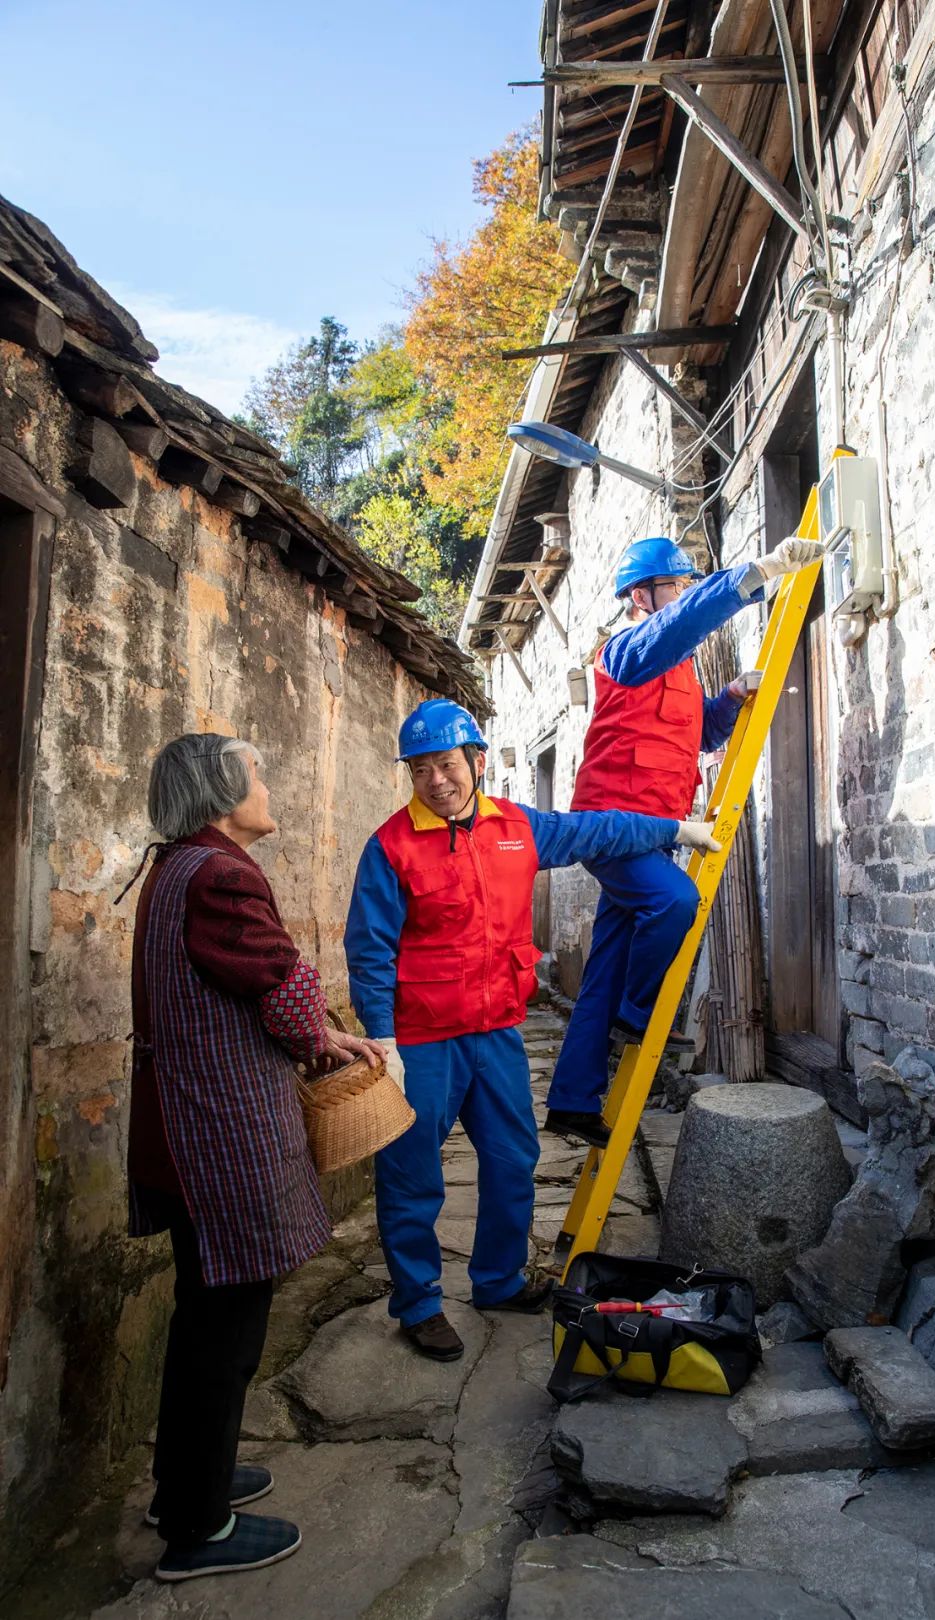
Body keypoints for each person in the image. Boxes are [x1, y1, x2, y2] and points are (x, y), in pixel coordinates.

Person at [344, 699, 720, 1361]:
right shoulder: (391, 847)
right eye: (422, 769)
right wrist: (384, 1042)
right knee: (411, 1176)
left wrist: (674, 831)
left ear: (477, 762)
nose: (437, 780)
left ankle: (496, 1280)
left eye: (448, 764)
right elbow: (370, 949)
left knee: (515, 1162)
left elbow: (598, 832)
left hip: (495, 1033)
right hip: (422, 1038)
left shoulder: (517, 827)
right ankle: (419, 1304)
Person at [125, 733, 383, 1583]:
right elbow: (280, 980)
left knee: (207, 1314)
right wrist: (322, 1037)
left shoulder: (175, 869)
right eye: (256, 773)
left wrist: (314, 1031)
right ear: (222, 792)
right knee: (224, 1325)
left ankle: (183, 1484)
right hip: (219, 1138)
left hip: (186, 1132)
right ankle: (196, 1529)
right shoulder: (224, 874)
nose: (267, 784)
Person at [544, 533, 824, 1148]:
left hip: (660, 833)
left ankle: (571, 1098)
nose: (685, 595)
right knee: (673, 903)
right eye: (677, 586)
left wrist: (728, 697)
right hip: (616, 828)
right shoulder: (626, 650)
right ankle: (637, 1018)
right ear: (642, 596)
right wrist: (758, 571)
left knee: (604, 968)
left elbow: (701, 736)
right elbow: (685, 623)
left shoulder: (677, 668)